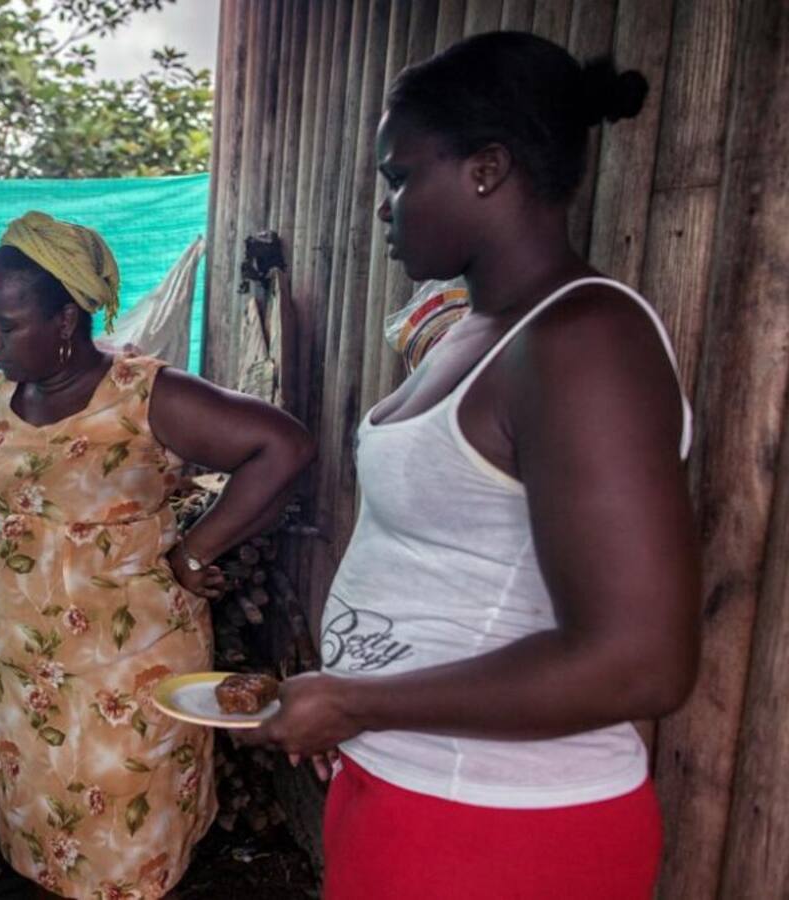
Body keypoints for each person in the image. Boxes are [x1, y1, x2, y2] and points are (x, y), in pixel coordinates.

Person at [237, 31, 701, 899]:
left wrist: (360, 701)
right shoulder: (471, 333)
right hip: (408, 788)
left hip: (505, 829)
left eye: (400, 177)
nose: (385, 207)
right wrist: (354, 709)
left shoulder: (583, 341)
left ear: (487, 170)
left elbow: (643, 661)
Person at [0, 211, 315, 899]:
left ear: (67, 320)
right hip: (28, 684)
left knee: (127, 862)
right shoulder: (0, 401)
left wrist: (198, 549)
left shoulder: (143, 396)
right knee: (52, 853)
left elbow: (283, 447)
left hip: (127, 685)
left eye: (7, 325)